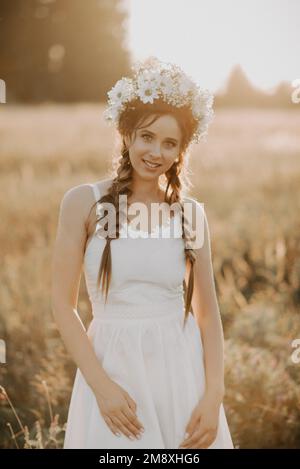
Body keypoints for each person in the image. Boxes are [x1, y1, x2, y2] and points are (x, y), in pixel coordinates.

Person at [51, 56, 234, 449]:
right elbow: (62, 306)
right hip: (112, 370)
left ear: (182, 150)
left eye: (170, 143)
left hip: (180, 371)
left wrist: (213, 392)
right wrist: (102, 387)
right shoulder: (83, 202)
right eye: (147, 137)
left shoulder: (190, 215)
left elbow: (207, 313)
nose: (156, 152)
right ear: (127, 134)